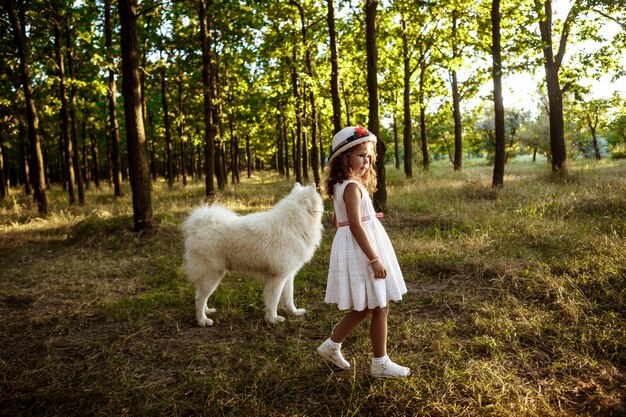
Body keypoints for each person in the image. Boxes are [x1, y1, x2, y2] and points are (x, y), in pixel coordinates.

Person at [316, 125, 410, 378]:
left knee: (369, 306)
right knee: (380, 305)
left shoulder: (342, 185)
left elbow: (339, 221)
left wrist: (363, 217)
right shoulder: (352, 188)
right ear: (344, 158)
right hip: (364, 250)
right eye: (360, 155)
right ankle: (380, 363)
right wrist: (375, 259)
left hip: (354, 247)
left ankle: (332, 345)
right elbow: (356, 225)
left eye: (369, 156)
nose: (366, 161)